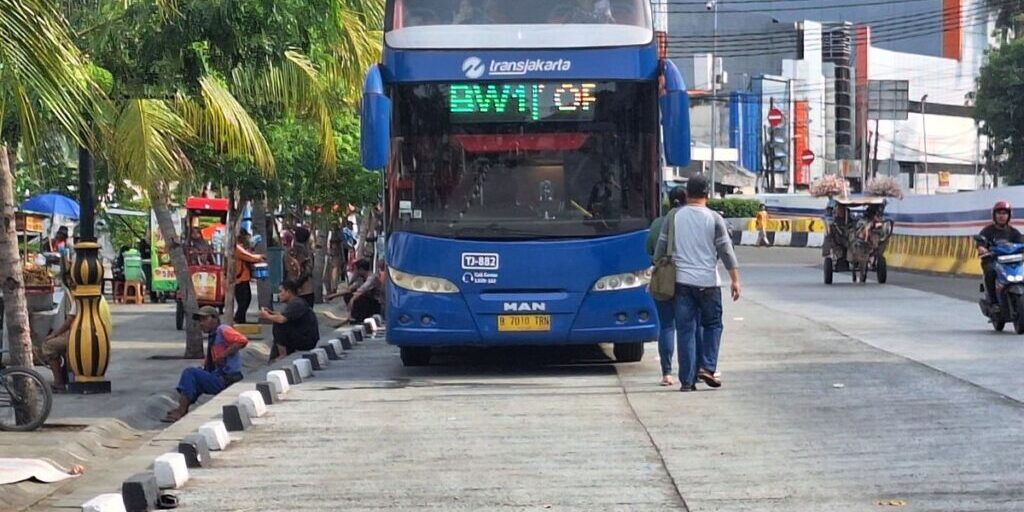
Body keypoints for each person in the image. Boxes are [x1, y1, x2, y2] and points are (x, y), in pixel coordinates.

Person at [653, 175, 741, 392]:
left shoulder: (673, 218)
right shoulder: (714, 218)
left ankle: (687, 380)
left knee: (685, 330)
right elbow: (726, 251)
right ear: (707, 194)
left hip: (681, 283)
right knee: (712, 325)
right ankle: (708, 367)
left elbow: (659, 250)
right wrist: (735, 280)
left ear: (687, 193)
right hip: (709, 283)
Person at [163, 306, 248, 422]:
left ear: (214, 319)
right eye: (200, 320)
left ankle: (181, 410)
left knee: (190, 372)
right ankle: (182, 408)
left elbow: (241, 340)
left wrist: (223, 355)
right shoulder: (213, 336)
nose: (201, 323)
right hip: (217, 375)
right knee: (194, 378)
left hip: (227, 378)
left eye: (204, 319)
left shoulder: (223, 329)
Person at [977, 201, 1023, 311]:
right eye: (999, 213)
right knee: (990, 272)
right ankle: (993, 302)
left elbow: (1021, 243)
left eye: (1004, 213)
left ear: (1009, 216)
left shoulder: (1014, 232)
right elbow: (980, 243)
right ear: (994, 215)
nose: (1002, 216)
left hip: (1012, 262)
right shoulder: (987, 231)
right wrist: (982, 248)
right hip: (993, 261)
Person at [260, 280, 320, 361]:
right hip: (301, 335)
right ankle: (277, 357)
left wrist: (267, 316)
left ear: (288, 292)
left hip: (307, 340)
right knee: (278, 321)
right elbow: (285, 315)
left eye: (281, 291)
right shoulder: (295, 303)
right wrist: (271, 313)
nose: (279, 295)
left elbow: (282, 319)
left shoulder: (297, 303)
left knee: (278, 324)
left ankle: (283, 355)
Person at [41, 287, 77, 392]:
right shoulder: (100, 297)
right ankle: (65, 374)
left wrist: (55, 334)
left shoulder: (80, 297)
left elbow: (69, 321)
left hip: (78, 336)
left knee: (48, 345)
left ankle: (58, 382)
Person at [234, 231, 265, 324]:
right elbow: (249, 257)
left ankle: (241, 319)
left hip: (244, 277)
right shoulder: (238, 248)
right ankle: (239, 319)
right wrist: (260, 257)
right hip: (240, 278)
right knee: (244, 300)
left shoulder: (241, 248)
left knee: (246, 299)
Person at [286, 226, 315, 307]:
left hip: (292, 289)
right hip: (307, 289)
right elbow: (308, 271)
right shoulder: (308, 253)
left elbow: (286, 270)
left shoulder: (289, 252)